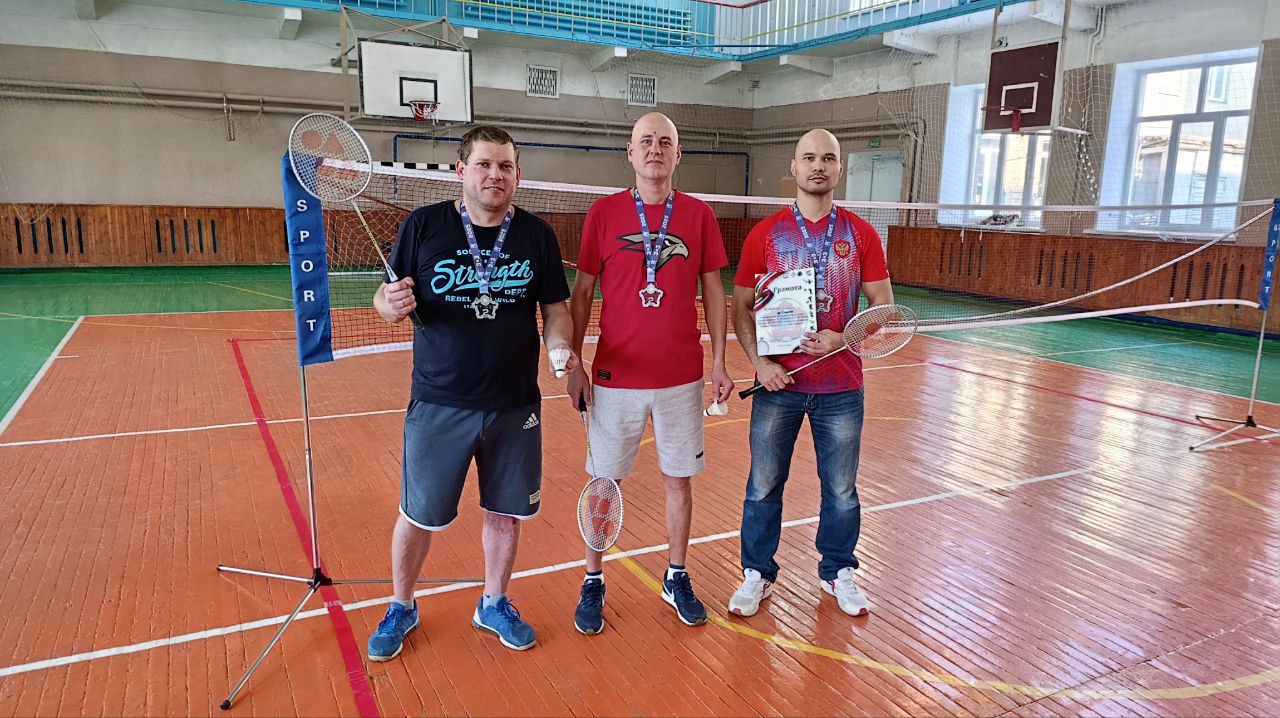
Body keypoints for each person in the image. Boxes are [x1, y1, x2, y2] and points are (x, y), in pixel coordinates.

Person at [367, 125, 577, 657]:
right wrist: (388, 305)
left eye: (505, 166)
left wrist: (560, 345)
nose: (495, 175)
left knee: (505, 512)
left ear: (517, 175)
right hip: (439, 402)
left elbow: (555, 309)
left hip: (514, 403)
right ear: (462, 171)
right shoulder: (424, 225)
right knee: (418, 514)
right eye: (484, 164)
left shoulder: (536, 235)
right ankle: (401, 604)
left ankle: (493, 602)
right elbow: (386, 297)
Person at [565, 112, 734, 633]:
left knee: (678, 482)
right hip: (614, 377)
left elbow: (714, 292)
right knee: (603, 483)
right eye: (646, 141)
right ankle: (593, 579)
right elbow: (582, 292)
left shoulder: (699, 215)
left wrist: (720, 361)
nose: (655, 149)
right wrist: (575, 361)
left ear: (677, 155)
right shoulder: (603, 214)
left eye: (665, 142)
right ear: (631, 152)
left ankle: (676, 574)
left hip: (681, 378)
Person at [727, 128, 893, 618]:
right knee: (763, 486)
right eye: (808, 158)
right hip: (777, 385)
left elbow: (883, 304)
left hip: (841, 387)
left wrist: (845, 337)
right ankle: (757, 573)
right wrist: (760, 363)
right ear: (794, 168)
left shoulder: (860, 234)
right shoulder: (766, 234)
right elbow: (740, 306)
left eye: (827, 158)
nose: (818, 166)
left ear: (839, 168)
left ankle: (838, 571)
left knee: (841, 490)